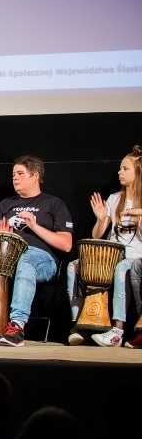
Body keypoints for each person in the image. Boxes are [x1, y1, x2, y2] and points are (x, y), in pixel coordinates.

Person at [0, 155, 73, 347]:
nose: (15, 178)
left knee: (26, 260)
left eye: (20, 173)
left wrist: (34, 226)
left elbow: (66, 244)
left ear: (35, 176)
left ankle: (17, 326)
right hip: (3, 258)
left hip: (40, 260)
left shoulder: (53, 204)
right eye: (13, 174)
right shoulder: (4, 205)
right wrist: (0, 237)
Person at [67, 145, 142, 347]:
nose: (119, 172)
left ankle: (118, 330)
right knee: (74, 266)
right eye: (120, 168)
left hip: (134, 258)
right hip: (111, 256)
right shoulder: (114, 198)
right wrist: (101, 220)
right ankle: (80, 325)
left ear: (138, 172)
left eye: (125, 168)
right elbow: (97, 236)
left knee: (121, 268)